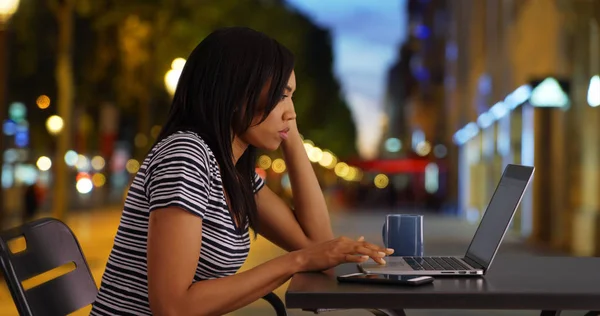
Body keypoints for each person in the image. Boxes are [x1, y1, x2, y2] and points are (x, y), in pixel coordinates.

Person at [90, 26, 393, 316]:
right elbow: (173, 308)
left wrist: (291, 135)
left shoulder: (234, 174)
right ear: (237, 93)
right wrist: (295, 262)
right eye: (281, 95)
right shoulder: (185, 156)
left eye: (292, 96)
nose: (293, 111)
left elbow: (317, 245)